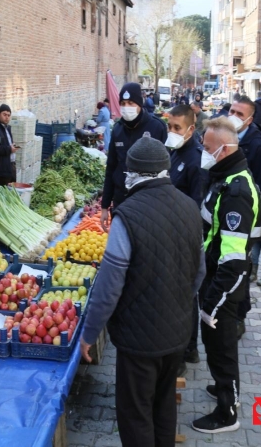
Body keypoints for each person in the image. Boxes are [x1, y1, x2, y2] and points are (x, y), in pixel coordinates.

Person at [80, 137, 205, 447]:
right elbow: (199, 272)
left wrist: (88, 334)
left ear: (132, 174)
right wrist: (178, 304)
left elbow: (108, 288)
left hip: (138, 341)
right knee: (163, 406)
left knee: (136, 414)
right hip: (176, 333)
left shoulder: (127, 217)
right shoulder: (190, 207)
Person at [192, 117, 261, 434]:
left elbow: (233, 261)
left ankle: (227, 411)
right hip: (214, 277)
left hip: (224, 285)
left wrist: (213, 304)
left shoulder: (236, 192)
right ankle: (224, 386)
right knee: (217, 344)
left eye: (206, 148)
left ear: (223, 149)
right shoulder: (225, 177)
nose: (202, 152)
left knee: (220, 345)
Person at [166, 104, 209, 376]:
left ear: (191, 129)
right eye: (169, 126)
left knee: (184, 297)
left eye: (177, 128)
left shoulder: (195, 160)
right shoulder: (175, 153)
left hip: (186, 238)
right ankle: (189, 347)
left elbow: (196, 206)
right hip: (173, 234)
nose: (171, 132)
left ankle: (185, 351)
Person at [100, 82, 168, 232]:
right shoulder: (117, 129)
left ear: (140, 104)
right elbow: (111, 168)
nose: (126, 107)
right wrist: (105, 206)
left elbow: (167, 169)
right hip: (121, 199)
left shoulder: (157, 127)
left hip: (148, 201)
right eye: (123, 103)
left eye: (131, 103)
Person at [229, 96, 261, 337]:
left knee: (241, 269)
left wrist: (255, 223)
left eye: (240, 114)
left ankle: (239, 317)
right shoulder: (228, 137)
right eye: (232, 110)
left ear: (250, 119)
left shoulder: (256, 146)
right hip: (226, 214)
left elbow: (260, 187)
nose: (233, 116)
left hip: (244, 219)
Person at [0, 104, 17, 187]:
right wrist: (9, 149)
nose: (7, 117)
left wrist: (13, 146)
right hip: (1, 170)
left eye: (8, 115)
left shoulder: (8, 128)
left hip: (11, 166)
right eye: (4, 114)